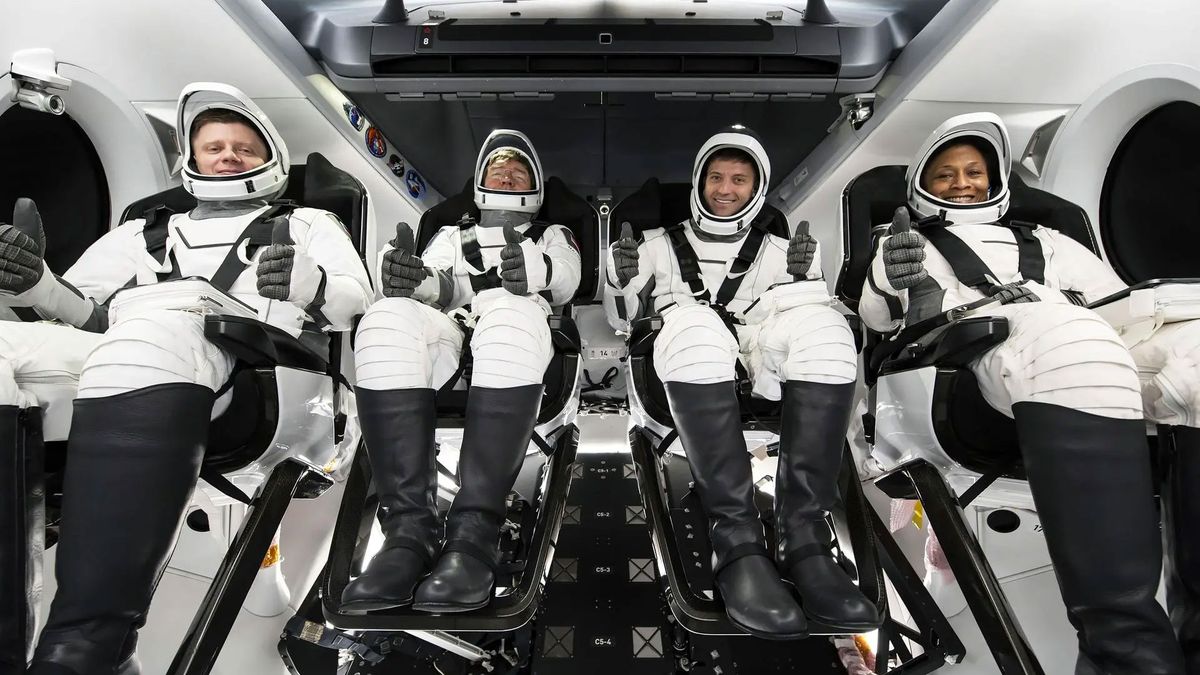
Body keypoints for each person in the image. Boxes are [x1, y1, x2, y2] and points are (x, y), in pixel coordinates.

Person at [0, 82, 372, 674]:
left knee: (152, 337)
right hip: (128, 350)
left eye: (244, 148)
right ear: (190, 161)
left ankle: (91, 647)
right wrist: (38, 285)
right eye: (214, 146)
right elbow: (90, 314)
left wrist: (307, 281)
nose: (228, 156)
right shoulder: (139, 231)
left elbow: (358, 305)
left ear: (270, 157)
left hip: (264, 370)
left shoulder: (307, 221)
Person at [859, 111, 1188, 674]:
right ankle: (1126, 655)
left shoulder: (1051, 241)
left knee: (1195, 355)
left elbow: (1121, 305)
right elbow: (878, 310)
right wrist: (891, 275)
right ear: (922, 183)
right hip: (957, 376)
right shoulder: (904, 243)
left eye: (974, 171)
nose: (962, 182)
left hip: (1074, 349)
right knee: (1069, 336)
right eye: (945, 174)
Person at [603, 126, 879, 639]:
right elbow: (624, 319)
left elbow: (800, 314)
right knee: (695, 323)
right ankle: (736, 541)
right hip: (689, 353)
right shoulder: (654, 246)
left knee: (827, 329)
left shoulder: (782, 249)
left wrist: (808, 285)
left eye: (739, 180)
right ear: (699, 182)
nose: (725, 189)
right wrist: (623, 282)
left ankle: (805, 540)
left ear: (757, 189)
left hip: (761, 359)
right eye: (716, 178)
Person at [339, 129, 581, 614]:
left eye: (518, 170)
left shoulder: (553, 235)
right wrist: (414, 276)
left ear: (534, 188)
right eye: (497, 168)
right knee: (385, 316)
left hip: (518, 325)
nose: (507, 174)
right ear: (478, 181)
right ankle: (408, 537)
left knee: (510, 314)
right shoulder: (452, 234)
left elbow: (566, 277)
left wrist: (536, 272)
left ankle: (474, 539)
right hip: (455, 329)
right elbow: (440, 289)